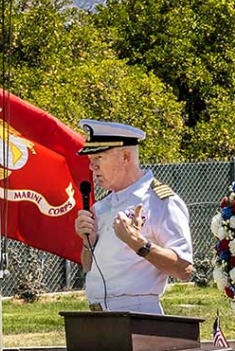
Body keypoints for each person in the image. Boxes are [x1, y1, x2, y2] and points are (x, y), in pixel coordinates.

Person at [73, 119, 192, 315]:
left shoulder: (160, 201)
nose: (92, 166)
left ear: (126, 156)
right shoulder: (101, 207)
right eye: (90, 160)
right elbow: (89, 267)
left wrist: (139, 244)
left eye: (99, 157)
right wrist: (88, 243)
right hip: (96, 314)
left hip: (138, 315)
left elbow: (184, 269)